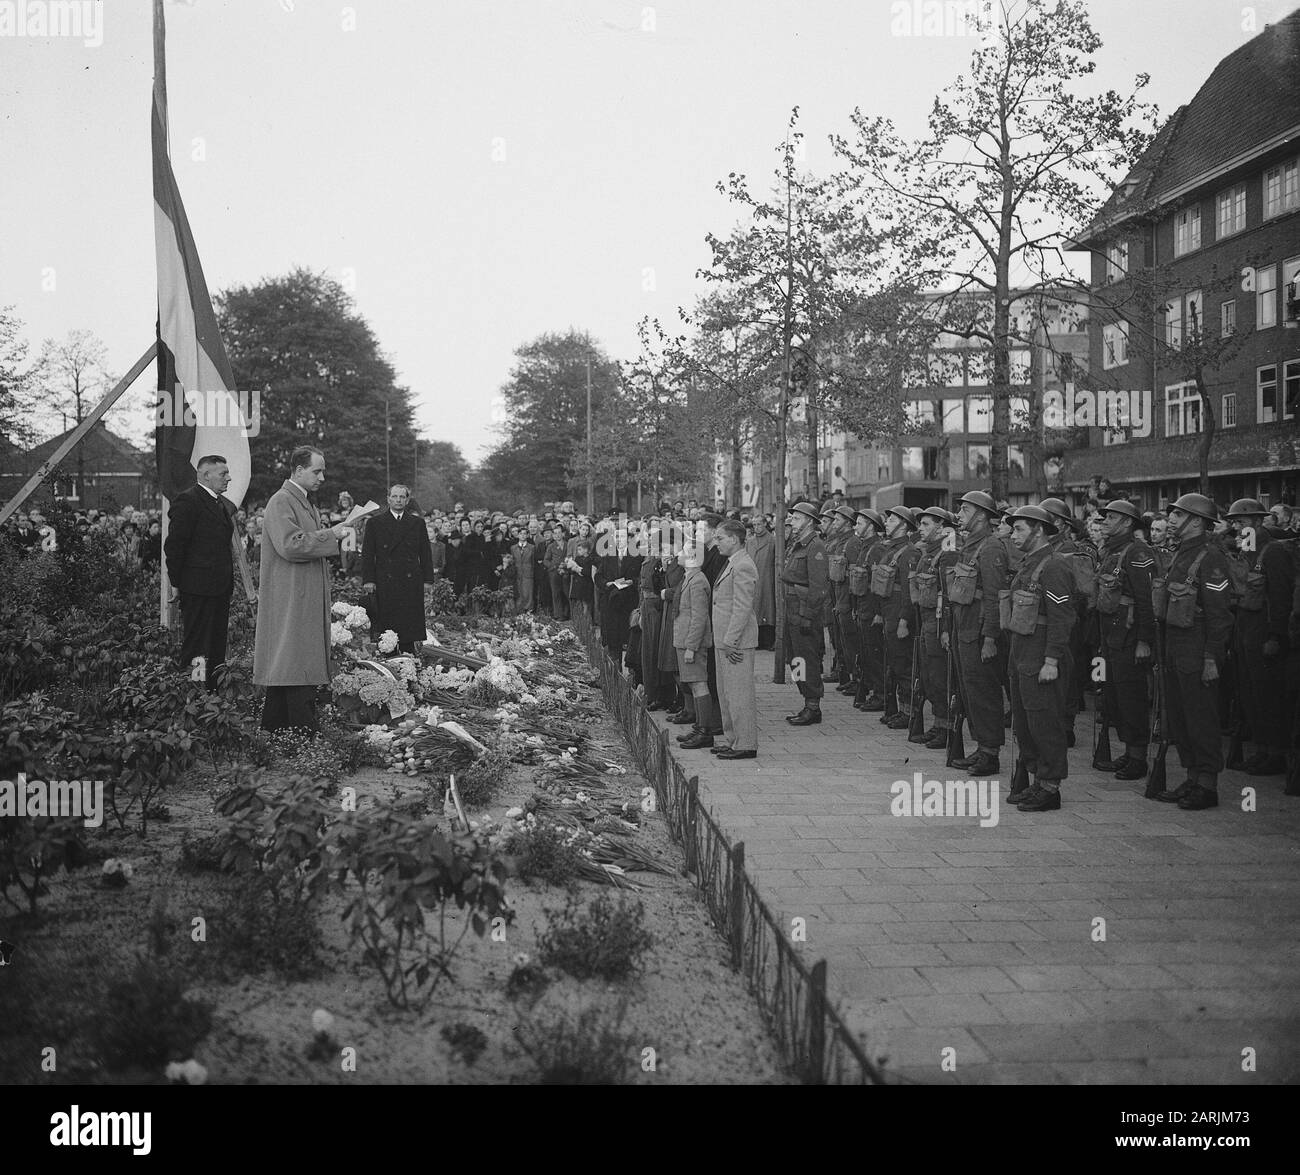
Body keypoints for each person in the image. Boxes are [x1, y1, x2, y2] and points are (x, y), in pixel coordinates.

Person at [253, 446, 354, 732]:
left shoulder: (302, 501)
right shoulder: (282, 501)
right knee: (294, 658)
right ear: (298, 470)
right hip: (291, 593)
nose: (322, 477)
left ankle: (276, 729)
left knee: (291, 660)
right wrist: (330, 534)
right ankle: (301, 729)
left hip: (300, 591)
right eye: (317, 470)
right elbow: (290, 544)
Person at [1149, 493, 1234, 810]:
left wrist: (1212, 657)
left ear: (1196, 521)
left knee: (1201, 718)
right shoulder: (1181, 554)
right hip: (1175, 648)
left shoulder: (1210, 558)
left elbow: (1219, 615)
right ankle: (1192, 776)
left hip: (1198, 651)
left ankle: (1207, 785)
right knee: (1181, 718)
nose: (1170, 518)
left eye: (1178, 514)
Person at [1001, 505, 1076, 812]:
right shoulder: (1028, 564)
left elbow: (1062, 618)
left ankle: (1050, 786)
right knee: (1026, 722)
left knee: (1045, 722)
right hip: (1023, 655)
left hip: (1042, 657)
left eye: (1019, 529)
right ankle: (1036, 780)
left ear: (1039, 530)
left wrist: (1052, 660)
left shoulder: (1054, 566)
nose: (1014, 535)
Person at [1095, 499, 1157, 783]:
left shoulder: (1137, 552)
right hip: (1113, 634)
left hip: (1131, 636)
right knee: (1116, 696)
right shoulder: (1113, 550)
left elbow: (1147, 601)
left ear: (1127, 523)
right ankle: (1130, 751)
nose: (1105, 520)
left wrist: (1145, 641)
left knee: (1131, 697)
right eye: (1105, 516)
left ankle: (1138, 755)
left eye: (1111, 516)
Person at [947, 491, 1009, 776]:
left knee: (984, 692)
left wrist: (990, 638)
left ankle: (991, 753)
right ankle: (982, 747)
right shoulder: (970, 545)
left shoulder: (991, 547)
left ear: (982, 515)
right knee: (971, 691)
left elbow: (996, 597)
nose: (959, 515)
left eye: (965, 510)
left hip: (980, 631)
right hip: (965, 627)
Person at [164, 454, 237, 689]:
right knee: (197, 646)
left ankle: (212, 693)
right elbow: (175, 545)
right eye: (223, 474)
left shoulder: (218, 503)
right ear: (205, 475)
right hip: (197, 588)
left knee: (216, 644)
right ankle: (194, 694)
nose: (229, 478)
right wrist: (176, 582)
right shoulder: (188, 501)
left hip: (218, 588)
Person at [1226, 498, 1288, 776]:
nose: (1237, 528)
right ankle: (1261, 750)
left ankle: (1274, 754)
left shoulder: (1271, 551)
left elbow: (1281, 597)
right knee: (1249, 693)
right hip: (1244, 632)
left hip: (1263, 633)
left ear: (1257, 522)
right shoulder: (1243, 552)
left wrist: (1276, 636)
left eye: (1241, 522)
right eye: (1235, 523)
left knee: (1267, 695)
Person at [361, 484, 434, 654]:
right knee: (387, 626)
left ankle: (408, 658)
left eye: (402, 497)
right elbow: (368, 554)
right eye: (394, 496)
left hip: (410, 580)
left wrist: (428, 580)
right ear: (388, 499)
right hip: (385, 580)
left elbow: (425, 553)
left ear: (407, 500)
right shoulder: (375, 523)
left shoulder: (417, 523)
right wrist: (369, 579)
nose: (398, 500)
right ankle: (388, 657)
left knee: (408, 625)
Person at [710, 520, 759, 760]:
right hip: (725, 640)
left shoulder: (743, 565)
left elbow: (742, 607)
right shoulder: (733, 562)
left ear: (734, 539)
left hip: (736, 641)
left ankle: (746, 743)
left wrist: (730, 640)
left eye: (720, 538)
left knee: (739, 694)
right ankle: (733, 739)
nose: (716, 542)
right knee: (727, 693)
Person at [782, 502, 829, 726]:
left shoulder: (815, 546)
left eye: (797, 518)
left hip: (803, 613)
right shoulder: (797, 544)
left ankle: (813, 706)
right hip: (792, 611)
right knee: (795, 660)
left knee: (806, 659)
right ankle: (806, 700)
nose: (792, 522)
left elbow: (818, 586)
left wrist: (809, 616)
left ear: (810, 521)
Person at [673, 540, 715, 749]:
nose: (678, 553)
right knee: (693, 683)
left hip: (692, 643)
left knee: (699, 684)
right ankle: (699, 727)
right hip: (684, 639)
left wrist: (691, 646)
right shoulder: (690, 577)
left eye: (683, 551)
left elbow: (699, 617)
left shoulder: (698, 581)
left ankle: (705, 731)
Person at [511, 526, 536, 612]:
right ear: (517, 535)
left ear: (527, 535)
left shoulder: (532, 547)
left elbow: (533, 562)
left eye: (524, 534)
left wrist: (532, 572)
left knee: (528, 592)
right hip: (517, 573)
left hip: (528, 573)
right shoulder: (513, 548)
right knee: (518, 592)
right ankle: (518, 610)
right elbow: (512, 561)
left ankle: (528, 611)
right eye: (520, 534)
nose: (522, 536)